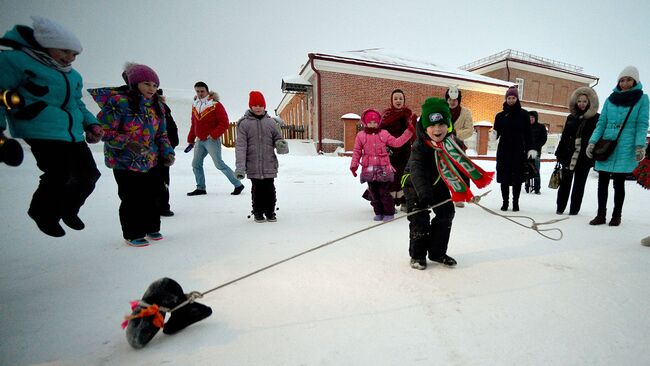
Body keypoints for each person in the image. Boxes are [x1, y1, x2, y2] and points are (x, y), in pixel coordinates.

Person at [0, 16, 102, 237]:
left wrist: (91, 123)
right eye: (64, 51)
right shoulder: (15, 62)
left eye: (74, 54)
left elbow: (77, 103)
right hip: (41, 130)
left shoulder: (72, 76)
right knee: (59, 173)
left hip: (71, 133)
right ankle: (42, 212)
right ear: (46, 44)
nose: (70, 58)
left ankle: (68, 209)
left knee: (89, 174)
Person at [89, 64, 175, 247]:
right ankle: (133, 232)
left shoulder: (157, 105)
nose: (151, 89)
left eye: (154, 85)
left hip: (150, 159)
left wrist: (167, 152)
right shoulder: (119, 102)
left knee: (154, 194)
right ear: (135, 83)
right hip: (124, 161)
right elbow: (103, 130)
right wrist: (127, 142)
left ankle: (152, 226)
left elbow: (162, 134)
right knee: (132, 197)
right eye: (146, 84)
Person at [403, 97, 493, 270]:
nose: (437, 129)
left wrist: (464, 190)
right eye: (432, 125)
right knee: (420, 218)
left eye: (442, 124)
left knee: (446, 214)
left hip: (439, 185)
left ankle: (437, 252)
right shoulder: (420, 146)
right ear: (425, 127)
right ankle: (418, 255)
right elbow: (417, 170)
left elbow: (461, 167)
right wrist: (423, 193)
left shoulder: (455, 144)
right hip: (415, 185)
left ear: (448, 125)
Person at [586, 66, 649, 226]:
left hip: (625, 146)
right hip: (606, 145)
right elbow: (601, 123)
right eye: (622, 80)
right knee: (602, 181)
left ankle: (616, 215)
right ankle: (601, 215)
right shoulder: (610, 99)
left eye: (628, 79)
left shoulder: (642, 99)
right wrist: (592, 142)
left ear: (635, 81)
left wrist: (640, 146)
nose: (625, 83)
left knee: (619, 183)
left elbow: (642, 124)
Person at [350, 108, 414, 221]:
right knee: (374, 194)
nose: (372, 125)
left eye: (375, 122)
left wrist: (408, 132)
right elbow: (357, 151)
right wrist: (354, 165)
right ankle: (378, 212)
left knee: (384, 192)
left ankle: (389, 213)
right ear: (365, 123)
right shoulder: (361, 136)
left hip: (383, 169)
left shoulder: (383, 134)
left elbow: (396, 142)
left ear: (378, 122)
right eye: (370, 122)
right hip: (369, 169)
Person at [235, 91, 288, 222]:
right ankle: (258, 211)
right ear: (250, 106)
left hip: (269, 163)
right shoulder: (244, 124)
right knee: (257, 190)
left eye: (260, 105)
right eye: (255, 105)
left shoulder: (271, 123)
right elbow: (241, 147)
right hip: (253, 165)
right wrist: (240, 167)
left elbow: (277, 138)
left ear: (264, 106)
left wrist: (281, 144)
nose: (258, 108)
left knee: (270, 189)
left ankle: (270, 211)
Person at [186, 81, 244, 196]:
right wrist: (191, 139)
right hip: (199, 140)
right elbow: (194, 124)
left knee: (219, 164)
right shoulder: (195, 105)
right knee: (196, 164)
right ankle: (201, 188)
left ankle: (238, 184)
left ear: (207, 91)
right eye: (197, 91)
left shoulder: (215, 104)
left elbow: (224, 123)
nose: (200, 93)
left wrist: (213, 135)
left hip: (211, 140)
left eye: (202, 91)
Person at [554, 87, 599, 215]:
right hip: (568, 156)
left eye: (584, 101)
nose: (582, 104)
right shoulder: (571, 117)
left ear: (589, 102)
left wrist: (593, 155)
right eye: (579, 101)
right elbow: (564, 136)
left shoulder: (596, 118)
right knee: (564, 184)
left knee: (579, 186)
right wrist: (559, 153)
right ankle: (560, 208)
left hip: (584, 158)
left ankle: (574, 210)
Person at [493, 86, 534, 212]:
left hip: (518, 151)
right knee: (504, 179)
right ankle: (505, 203)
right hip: (504, 151)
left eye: (513, 98)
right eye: (509, 98)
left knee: (517, 179)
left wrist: (530, 150)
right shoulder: (500, 115)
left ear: (517, 98)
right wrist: (493, 135)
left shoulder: (524, 115)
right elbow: (496, 132)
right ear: (506, 99)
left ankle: (515, 203)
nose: (511, 100)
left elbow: (528, 134)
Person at [380, 89, 416, 211]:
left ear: (404, 100)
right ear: (392, 100)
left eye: (400, 98)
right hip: (389, 151)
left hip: (405, 151)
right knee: (390, 177)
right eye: (396, 98)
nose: (398, 101)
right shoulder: (386, 115)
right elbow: (380, 132)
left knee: (404, 176)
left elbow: (413, 133)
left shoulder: (408, 115)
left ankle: (405, 202)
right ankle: (389, 202)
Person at [445, 86, 474, 207]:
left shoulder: (465, 112)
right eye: (450, 99)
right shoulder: (441, 111)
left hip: (458, 146)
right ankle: (444, 195)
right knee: (444, 170)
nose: (452, 102)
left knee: (461, 171)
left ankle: (460, 196)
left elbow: (470, 130)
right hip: (443, 145)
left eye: (455, 100)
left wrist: (455, 133)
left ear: (459, 100)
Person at [154, 89, 179, 216]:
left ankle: (163, 206)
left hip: (162, 149)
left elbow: (170, 128)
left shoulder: (162, 108)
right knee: (154, 179)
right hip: (147, 152)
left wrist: (170, 146)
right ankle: (157, 206)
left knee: (162, 178)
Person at [526, 111, 548, 194]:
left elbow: (543, 139)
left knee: (536, 170)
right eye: (529, 117)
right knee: (526, 169)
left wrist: (536, 146)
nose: (530, 119)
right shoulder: (525, 127)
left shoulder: (541, 127)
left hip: (536, 152)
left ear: (535, 118)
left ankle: (537, 188)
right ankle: (527, 185)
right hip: (526, 152)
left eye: (532, 117)